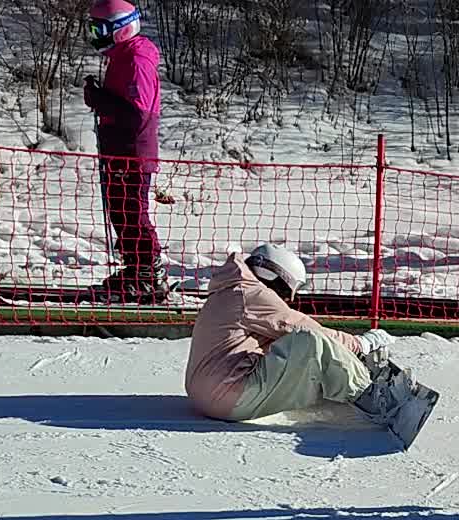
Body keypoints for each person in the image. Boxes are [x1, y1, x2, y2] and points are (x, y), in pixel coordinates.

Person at [186, 244, 437, 450]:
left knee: (291, 346)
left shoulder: (232, 289)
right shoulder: (251, 294)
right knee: (308, 341)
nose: (287, 299)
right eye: (286, 291)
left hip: (210, 395)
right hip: (227, 397)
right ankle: (375, 400)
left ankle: (343, 383)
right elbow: (303, 329)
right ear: (273, 277)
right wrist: (360, 343)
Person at [82, 0, 169, 302]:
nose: (94, 36)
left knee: (133, 212)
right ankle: (135, 270)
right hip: (119, 149)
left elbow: (136, 114)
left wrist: (100, 99)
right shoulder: (121, 57)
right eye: (92, 29)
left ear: (120, 29)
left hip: (132, 151)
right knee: (120, 211)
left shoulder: (136, 60)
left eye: (99, 30)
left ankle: (148, 275)